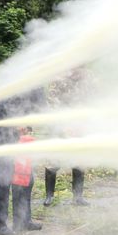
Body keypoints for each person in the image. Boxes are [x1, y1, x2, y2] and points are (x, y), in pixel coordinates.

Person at [0, 91, 44, 235]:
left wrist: (27, 123)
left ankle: (23, 220)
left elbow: (34, 105)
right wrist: (14, 123)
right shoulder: (10, 80)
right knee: (3, 181)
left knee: (25, 178)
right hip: (2, 138)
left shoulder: (32, 84)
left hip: (21, 138)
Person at [43, 69, 92, 207]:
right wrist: (64, 125)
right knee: (53, 160)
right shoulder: (58, 78)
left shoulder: (87, 77)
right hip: (59, 126)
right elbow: (52, 103)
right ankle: (49, 196)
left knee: (79, 160)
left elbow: (91, 100)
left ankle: (78, 197)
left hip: (80, 126)